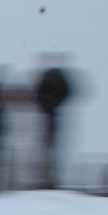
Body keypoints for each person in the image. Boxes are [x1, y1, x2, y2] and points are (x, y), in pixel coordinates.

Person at [33, 55, 75, 190]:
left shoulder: (46, 78)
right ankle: (50, 178)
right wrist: (55, 104)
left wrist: (47, 105)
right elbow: (67, 92)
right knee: (52, 148)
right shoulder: (58, 78)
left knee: (48, 148)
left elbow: (38, 94)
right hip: (53, 116)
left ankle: (47, 178)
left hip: (48, 117)